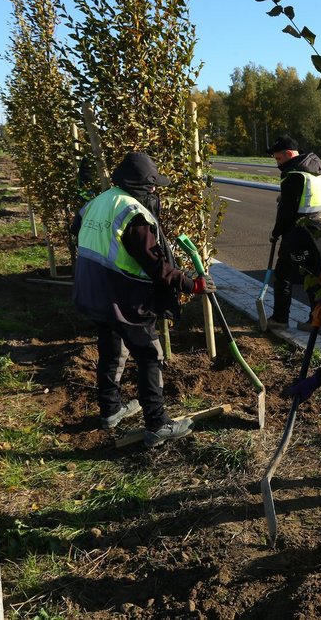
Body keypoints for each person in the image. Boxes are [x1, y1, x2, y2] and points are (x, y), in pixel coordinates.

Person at [72, 152, 215, 448]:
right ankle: (157, 424)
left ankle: (110, 410)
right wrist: (192, 284)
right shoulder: (133, 214)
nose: (155, 193)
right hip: (124, 296)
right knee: (150, 356)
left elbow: (77, 230)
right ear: (141, 185)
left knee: (111, 349)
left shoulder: (98, 202)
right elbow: (157, 267)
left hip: (92, 290)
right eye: (152, 187)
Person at [265, 135, 321, 331]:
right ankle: (316, 323)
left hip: (298, 231)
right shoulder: (318, 170)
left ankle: (279, 319)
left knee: (283, 275)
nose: (278, 163)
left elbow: (287, 210)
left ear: (288, 154)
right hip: (320, 228)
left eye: (278, 158)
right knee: (314, 277)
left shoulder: (294, 174)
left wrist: (276, 232)